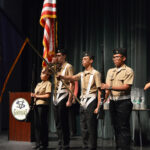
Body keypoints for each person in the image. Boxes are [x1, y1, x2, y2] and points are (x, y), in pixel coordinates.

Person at [59, 52, 102, 150]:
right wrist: (62, 77)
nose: (83, 61)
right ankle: (85, 146)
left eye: (85, 59)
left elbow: (100, 91)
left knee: (91, 126)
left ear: (91, 61)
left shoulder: (96, 73)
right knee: (84, 126)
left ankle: (92, 147)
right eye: (82, 59)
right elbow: (72, 77)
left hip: (91, 100)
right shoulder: (82, 74)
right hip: (82, 102)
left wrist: (98, 106)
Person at [101, 48, 134, 150]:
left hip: (124, 102)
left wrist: (109, 87)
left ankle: (125, 148)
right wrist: (103, 100)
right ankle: (118, 147)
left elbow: (126, 87)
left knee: (123, 126)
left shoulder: (128, 70)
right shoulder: (110, 71)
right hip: (113, 102)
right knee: (115, 126)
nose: (115, 59)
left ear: (124, 58)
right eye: (114, 57)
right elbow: (107, 89)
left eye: (118, 57)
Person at [53, 49, 74, 150]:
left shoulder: (68, 66)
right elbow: (45, 72)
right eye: (57, 55)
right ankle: (60, 142)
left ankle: (66, 143)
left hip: (64, 94)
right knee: (57, 121)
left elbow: (72, 82)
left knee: (63, 120)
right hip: (56, 95)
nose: (58, 57)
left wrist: (70, 99)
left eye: (59, 55)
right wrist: (51, 63)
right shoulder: (56, 67)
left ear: (64, 56)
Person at [31, 67, 52, 150]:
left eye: (43, 73)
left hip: (43, 106)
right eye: (41, 73)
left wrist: (36, 96)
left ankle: (44, 144)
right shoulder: (38, 84)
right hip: (36, 105)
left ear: (47, 75)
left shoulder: (48, 83)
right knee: (37, 125)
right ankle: (37, 143)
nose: (41, 75)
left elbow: (47, 95)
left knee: (42, 125)